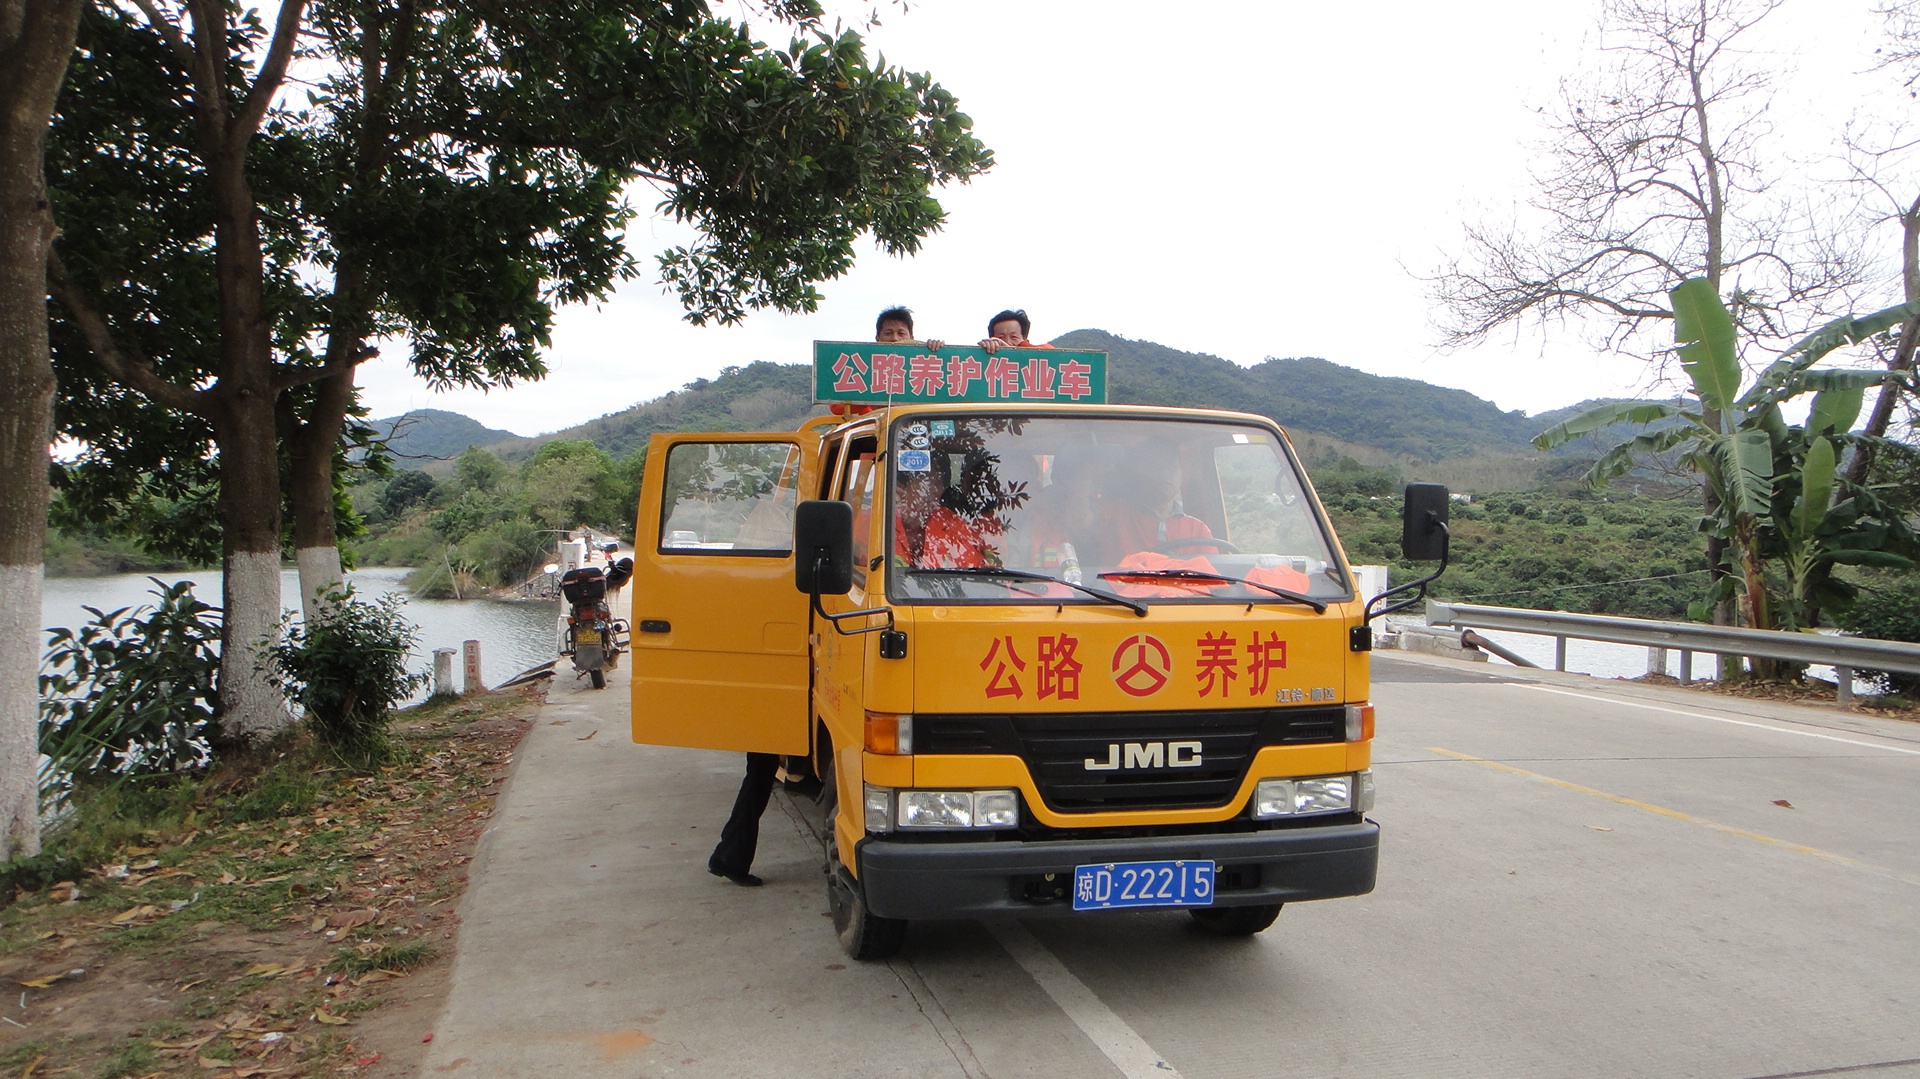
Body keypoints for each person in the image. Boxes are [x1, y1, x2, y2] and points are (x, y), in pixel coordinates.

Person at [978, 308, 1054, 352]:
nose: (1007, 342)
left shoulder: (1036, 358)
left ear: (1024, 339)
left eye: (1013, 337)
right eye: (1001, 338)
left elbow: (1051, 352)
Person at [875, 306, 944, 350]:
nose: (895, 338)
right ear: (877, 338)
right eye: (888, 333)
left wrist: (936, 350)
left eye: (901, 333)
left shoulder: (919, 360)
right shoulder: (866, 360)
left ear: (911, 338)